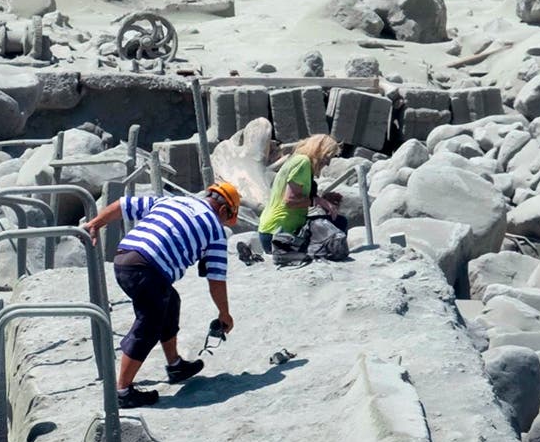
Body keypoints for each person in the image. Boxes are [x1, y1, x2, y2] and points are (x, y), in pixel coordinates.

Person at [81, 181, 239, 408]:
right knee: (149, 323)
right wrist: (224, 314)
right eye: (227, 218)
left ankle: (175, 365)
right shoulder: (215, 230)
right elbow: (216, 279)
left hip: (125, 259)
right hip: (148, 269)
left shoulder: (173, 200)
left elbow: (123, 205)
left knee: (170, 301)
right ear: (224, 210)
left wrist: (96, 223)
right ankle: (123, 391)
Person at [259, 134, 346, 265]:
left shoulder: (296, 160)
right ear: (319, 151)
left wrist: (323, 200)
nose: (327, 163)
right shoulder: (303, 163)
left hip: (271, 231)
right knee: (339, 224)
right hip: (277, 235)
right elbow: (290, 200)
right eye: (328, 157)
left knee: (336, 223)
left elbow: (297, 195)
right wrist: (317, 202)